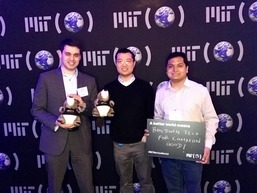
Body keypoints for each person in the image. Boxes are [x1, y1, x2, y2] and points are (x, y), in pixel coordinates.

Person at [31, 38, 97, 193]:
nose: (72, 59)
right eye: (68, 54)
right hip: (55, 139)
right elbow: (36, 109)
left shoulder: (89, 80)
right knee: (54, 188)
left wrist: (83, 105)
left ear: (80, 57)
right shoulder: (46, 78)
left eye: (76, 55)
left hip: (81, 141)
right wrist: (56, 121)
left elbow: (95, 111)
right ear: (60, 54)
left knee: (87, 187)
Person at [154, 52, 218, 193]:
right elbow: (158, 118)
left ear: (187, 68)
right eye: (171, 66)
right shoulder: (160, 92)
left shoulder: (200, 91)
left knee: (193, 190)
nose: (175, 69)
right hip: (168, 153)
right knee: (173, 190)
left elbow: (211, 119)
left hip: (193, 153)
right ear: (166, 70)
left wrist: (207, 146)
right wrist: (155, 136)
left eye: (180, 66)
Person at [103, 48, 155, 193]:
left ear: (134, 63)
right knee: (125, 183)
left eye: (128, 61)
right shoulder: (108, 88)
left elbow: (151, 113)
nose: (124, 64)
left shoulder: (144, 87)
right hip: (120, 145)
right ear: (115, 64)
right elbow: (104, 115)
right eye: (120, 61)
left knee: (146, 181)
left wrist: (146, 135)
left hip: (142, 143)